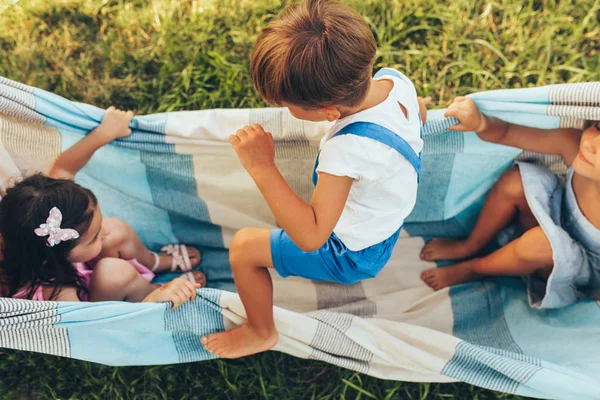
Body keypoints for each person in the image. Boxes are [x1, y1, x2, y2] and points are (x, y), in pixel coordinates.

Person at [202, 0, 426, 358]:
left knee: (244, 248)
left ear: (330, 113)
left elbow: (311, 235)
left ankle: (260, 331)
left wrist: (262, 166)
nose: (282, 110)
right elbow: (422, 112)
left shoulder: (347, 150)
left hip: (352, 254)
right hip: (385, 226)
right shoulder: (395, 82)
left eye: (287, 105)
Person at [0, 107, 205, 307]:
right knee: (113, 272)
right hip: (95, 309)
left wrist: (102, 134)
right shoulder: (59, 296)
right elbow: (90, 332)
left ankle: (155, 262)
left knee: (115, 230)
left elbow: (63, 168)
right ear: (54, 256)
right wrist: (151, 300)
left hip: (74, 268)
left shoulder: (39, 211)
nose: (103, 231)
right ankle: (151, 294)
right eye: (94, 238)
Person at [420, 96, 600, 309]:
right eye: (599, 127)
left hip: (573, 267)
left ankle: (475, 268)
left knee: (540, 242)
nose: (590, 143)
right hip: (550, 218)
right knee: (514, 183)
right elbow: (507, 132)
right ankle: (471, 245)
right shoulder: (573, 144)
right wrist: (480, 122)